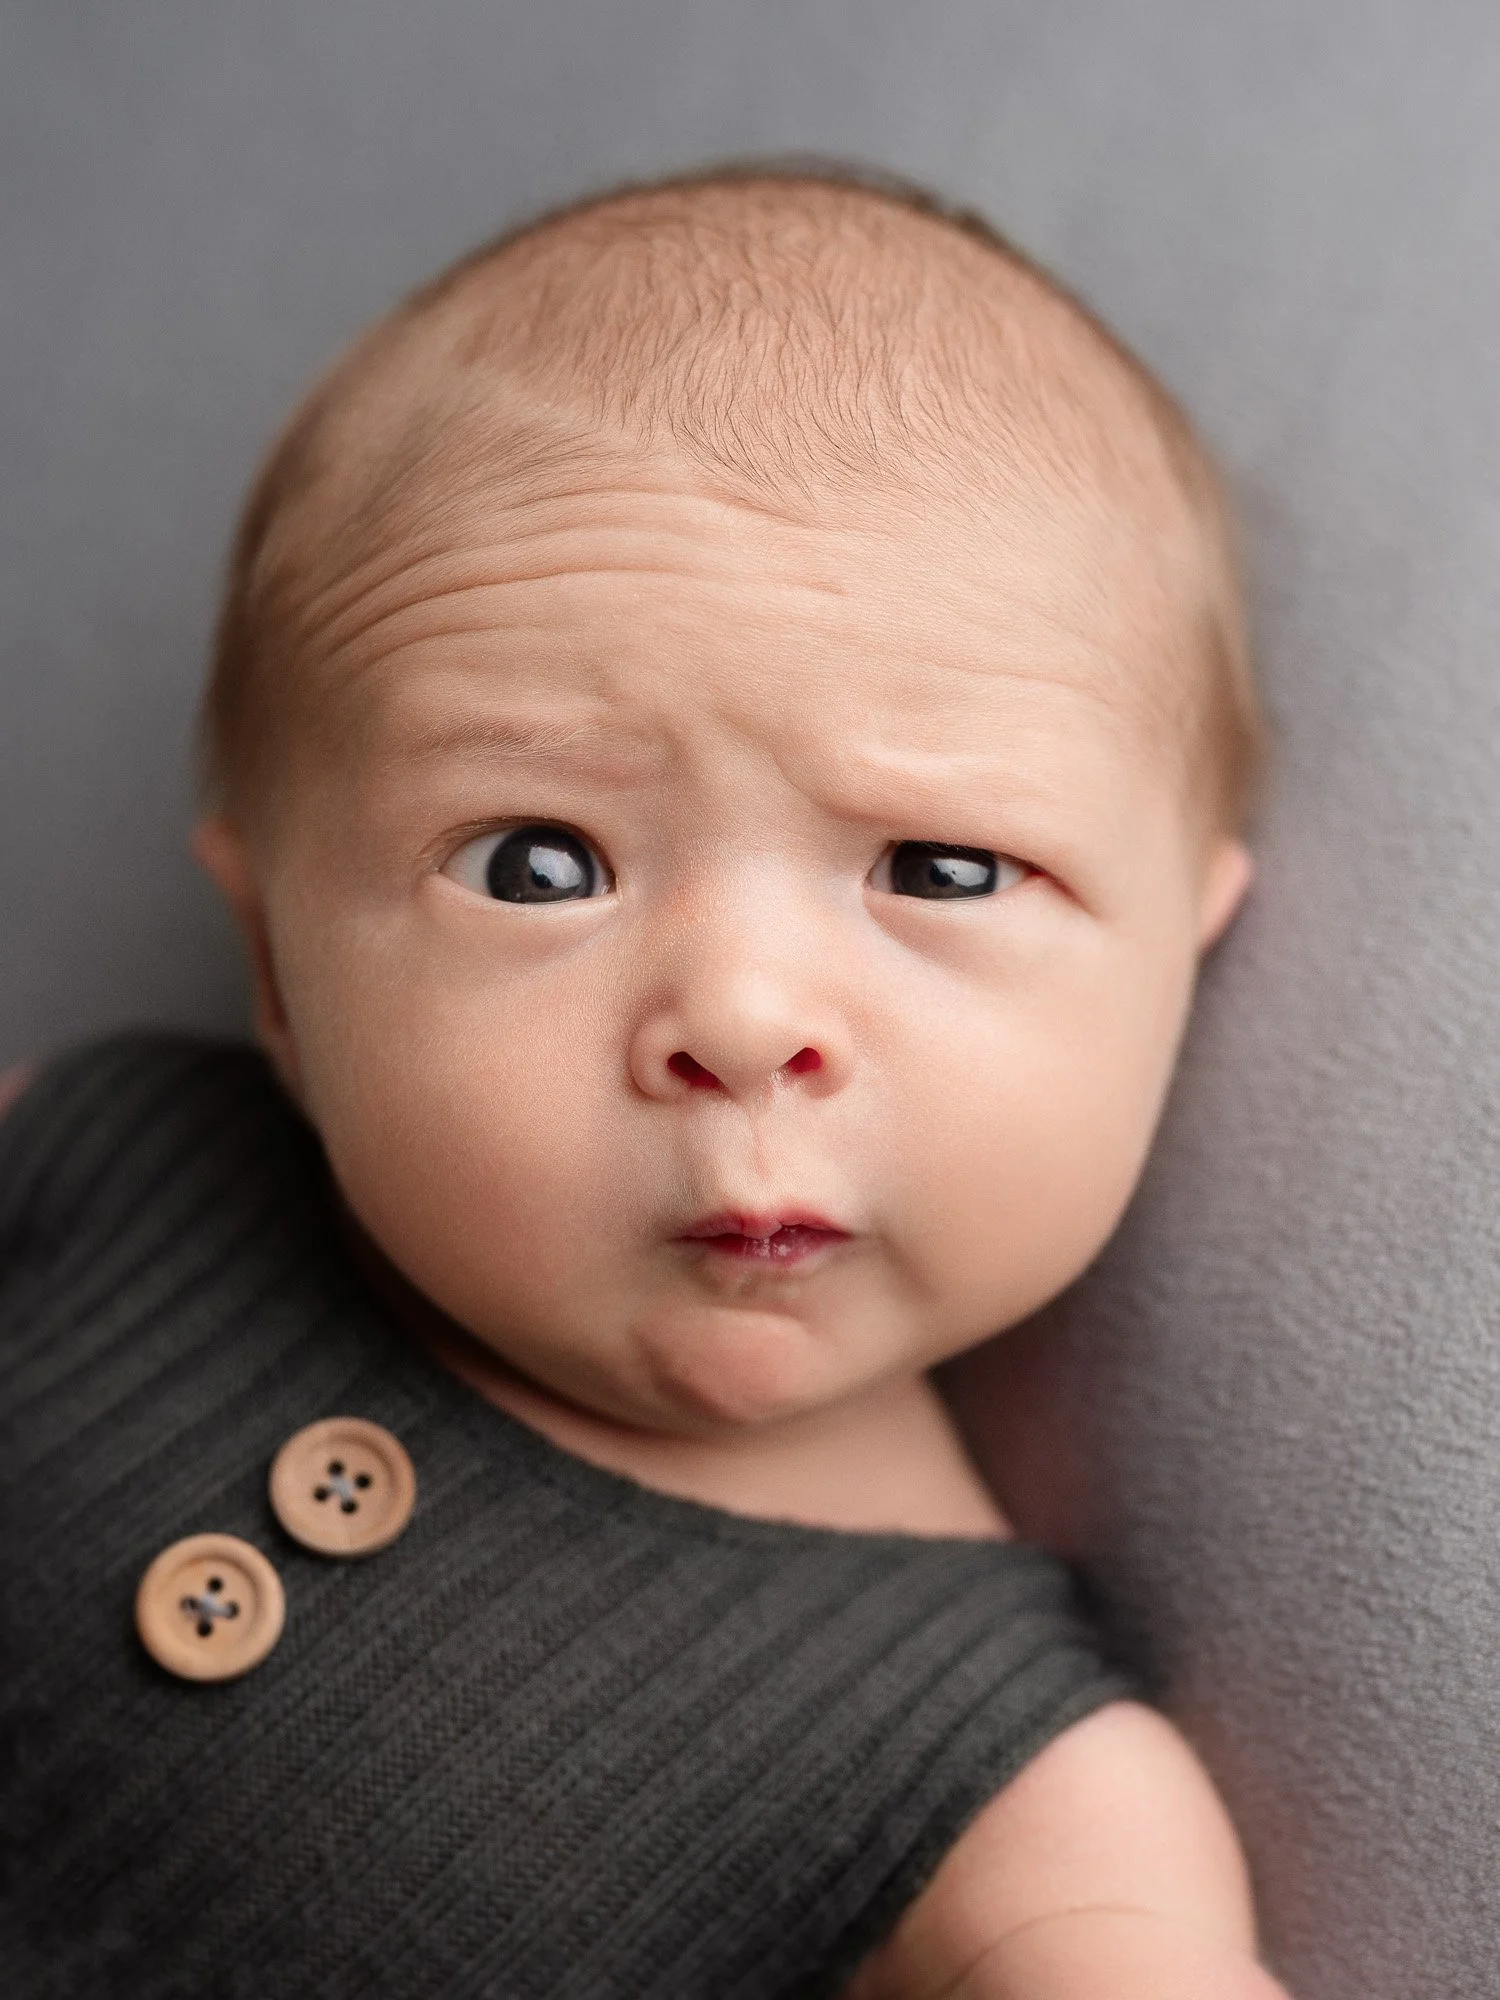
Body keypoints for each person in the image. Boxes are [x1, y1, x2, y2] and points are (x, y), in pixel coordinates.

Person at [0, 163, 1290, 1997]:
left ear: (1178, 963)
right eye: (537, 864)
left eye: (937, 868)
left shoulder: (1011, 1800)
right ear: (278, 967)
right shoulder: (115, 1160)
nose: (746, 1020)